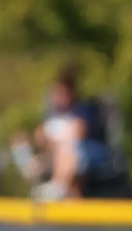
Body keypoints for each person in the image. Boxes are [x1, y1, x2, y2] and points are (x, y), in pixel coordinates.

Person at [12, 64, 110, 201]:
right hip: (53, 154)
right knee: (22, 143)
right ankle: (51, 186)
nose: (57, 97)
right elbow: (39, 136)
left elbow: (79, 132)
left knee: (67, 149)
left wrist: (56, 140)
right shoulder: (52, 115)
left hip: (85, 153)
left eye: (60, 93)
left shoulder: (82, 110)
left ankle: (57, 188)